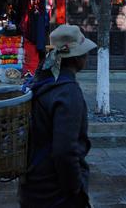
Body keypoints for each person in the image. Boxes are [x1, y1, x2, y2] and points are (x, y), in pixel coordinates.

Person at [20, 24, 96, 208]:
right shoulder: (68, 92)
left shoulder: (41, 83)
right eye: (84, 53)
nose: (87, 57)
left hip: (32, 184)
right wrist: (75, 188)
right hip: (55, 193)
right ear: (77, 59)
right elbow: (65, 151)